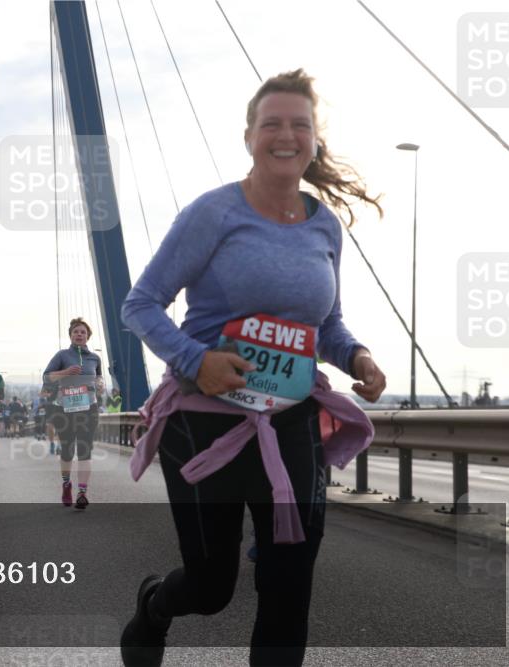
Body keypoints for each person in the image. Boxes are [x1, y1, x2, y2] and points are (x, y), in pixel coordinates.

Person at [118, 69, 385, 667]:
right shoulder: (213, 214)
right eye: (272, 124)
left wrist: (357, 356)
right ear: (249, 137)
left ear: (314, 139)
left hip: (291, 423)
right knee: (211, 589)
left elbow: (328, 326)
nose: (285, 135)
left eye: (299, 124)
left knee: (289, 590)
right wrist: (197, 361)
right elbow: (140, 304)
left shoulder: (324, 225)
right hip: (203, 425)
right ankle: (155, 606)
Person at [43, 317, 104, 510]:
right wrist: (66, 372)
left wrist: (101, 384)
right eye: (76, 332)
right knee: (68, 451)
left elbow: (100, 377)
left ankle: (82, 493)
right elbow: (47, 377)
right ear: (70, 335)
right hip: (64, 410)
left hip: (89, 409)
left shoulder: (95, 358)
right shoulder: (62, 355)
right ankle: (67, 484)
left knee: (85, 450)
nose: (79, 334)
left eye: (83, 332)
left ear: (87, 336)